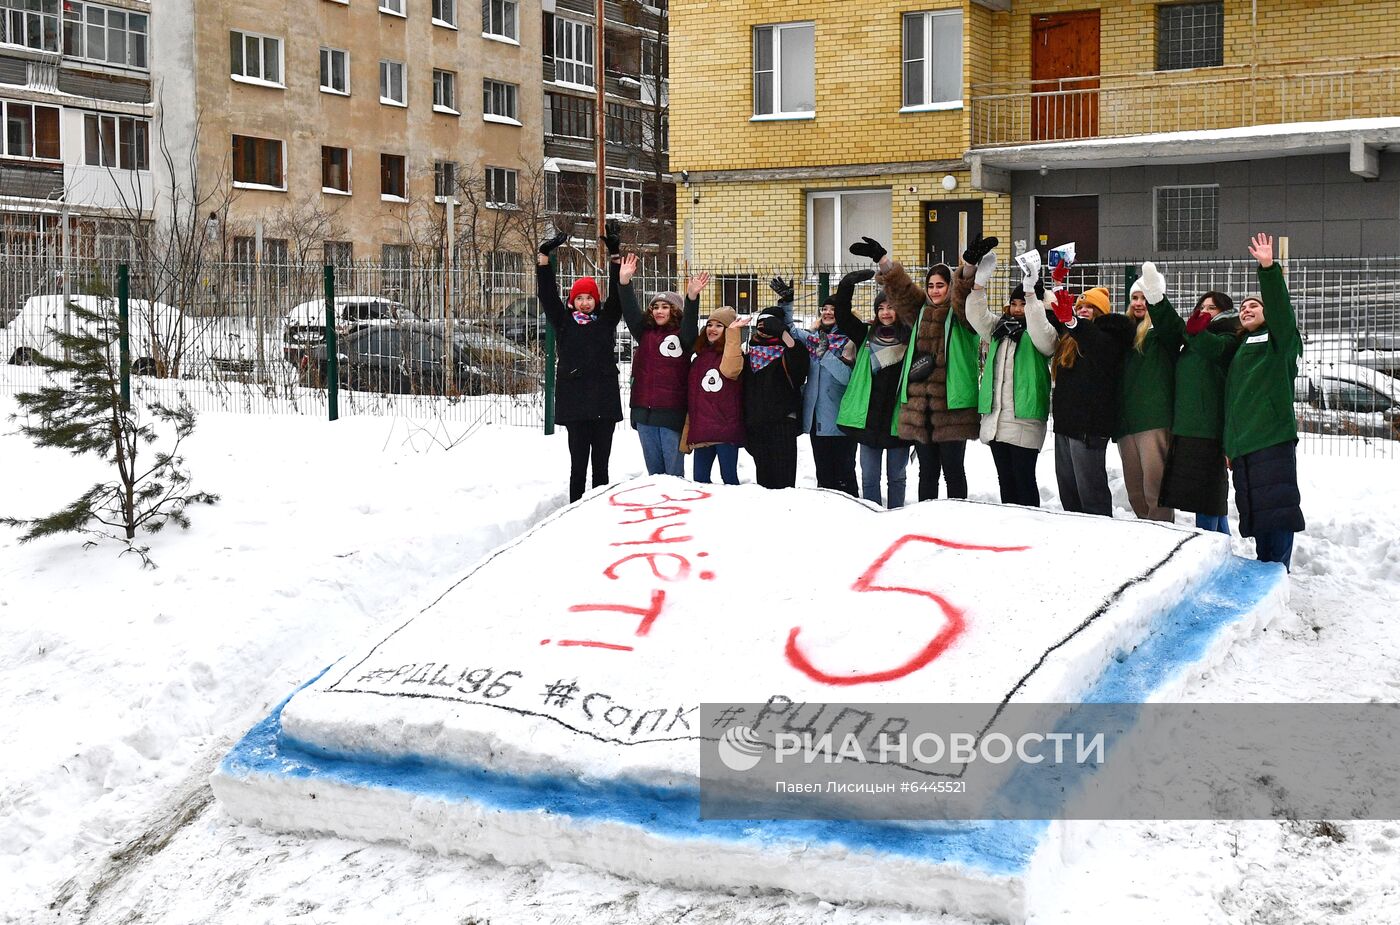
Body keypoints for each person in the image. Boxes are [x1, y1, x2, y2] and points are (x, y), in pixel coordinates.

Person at [850, 236, 986, 500]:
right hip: (920, 409)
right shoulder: (920, 311)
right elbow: (901, 290)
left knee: (953, 471)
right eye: (931, 286)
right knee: (927, 472)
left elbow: (963, 296)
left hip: (951, 408)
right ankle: (926, 520)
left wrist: (968, 267)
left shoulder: (961, 315)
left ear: (949, 287)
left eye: (941, 286)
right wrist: (882, 260)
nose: (935, 291)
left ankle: (956, 521)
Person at [1212, 233, 1304, 569]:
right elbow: (1234, 402)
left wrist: (1268, 269)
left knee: (1277, 511)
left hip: (1272, 440)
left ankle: (1278, 572)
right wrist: (1229, 444)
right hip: (1244, 447)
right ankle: (1266, 570)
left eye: (1255, 305)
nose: (1248, 309)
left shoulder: (1279, 340)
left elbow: (1281, 311)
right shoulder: (1242, 347)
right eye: (1244, 307)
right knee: (1258, 512)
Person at [536, 231, 630, 502]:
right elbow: (547, 295)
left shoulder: (606, 320)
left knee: (601, 467)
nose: (585, 302)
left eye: (590, 297)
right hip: (576, 405)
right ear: (572, 301)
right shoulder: (563, 322)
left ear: (595, 301)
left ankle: (600, 507)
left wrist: (615, 257)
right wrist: (544, 257)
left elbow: (618, 296)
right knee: (578, 466)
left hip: (603, 402)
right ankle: (574, 509)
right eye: (580, 298)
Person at [1145, 270, 1239, 535]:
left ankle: (1210, 543)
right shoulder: (1194, 337)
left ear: (1225, 313)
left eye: (1213, 307)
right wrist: (1156, 298)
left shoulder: (1228, 338)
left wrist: (1197, 334)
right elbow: (1174, 327)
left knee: (1207, 497)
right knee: (1204, 497)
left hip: (1209, 429)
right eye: (1202, 306)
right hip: (1186, 429)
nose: (1206, 310)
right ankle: (1219, 544)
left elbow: (1213, 349)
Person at [963, 247, 1056, 507]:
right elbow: (976, 316)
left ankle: (1030, 526)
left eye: (1022, 304)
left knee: (1024, 479)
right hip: (997, 419)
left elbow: (1043, 336)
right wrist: (979, 285)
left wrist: (1030, 293)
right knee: (1005, 480)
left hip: (1024, 418)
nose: (1017, 309)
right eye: (1014, 304)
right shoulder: (999, 329)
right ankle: (1010, 526)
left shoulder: (1043, 331)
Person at [1048, 284, 1136, 516]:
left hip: (1090, 426)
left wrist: (1074, 323)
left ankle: (1100, 534)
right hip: (1066, 425)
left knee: (1091, 493)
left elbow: (1095, 341)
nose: (1084, 309)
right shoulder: (1070, 338)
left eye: (1090, 306)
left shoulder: (1111, 335)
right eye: (1080, 306)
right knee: (1069, 491)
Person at [620, 231, 700, 477]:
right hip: (644, 415)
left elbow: (690, 325)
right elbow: (631, 311)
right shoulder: (644, 333)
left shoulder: (683, 336)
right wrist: (624, 283)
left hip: (671, 416)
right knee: (654, 477)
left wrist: (692, 298)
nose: (659, 311)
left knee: (673, 477)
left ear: (675, 311)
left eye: (665, 306)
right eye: (655, 306)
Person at [832, 270, 913, 508]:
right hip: (868, 418)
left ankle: (897, 515)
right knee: (869, 478)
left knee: (897, 477)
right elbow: (843, 316)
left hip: (898, 417)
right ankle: (872, 516)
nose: (886, 313)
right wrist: (847, 284)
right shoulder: (865, 335)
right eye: (881, 308)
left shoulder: (911, 336)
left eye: (890, 307)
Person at [1116, 271, 1179, 522]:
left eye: (1144, 297)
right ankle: (1145, 530)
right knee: (1135, 489)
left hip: (1153, 419)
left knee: (1155, 487)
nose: (1138, 303)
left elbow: (1174, 329)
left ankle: (1163, 531)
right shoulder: (1124, 332)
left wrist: (1158, 299)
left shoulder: (1160, 332)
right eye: (1134, 297)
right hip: (1126, 422)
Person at [787, 277, 859, 496]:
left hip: (842, 420)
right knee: (824, 476)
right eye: (824, 308)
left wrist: (826, 355)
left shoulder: (850, 340)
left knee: (845, 476)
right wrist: (786, 303)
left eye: (833, 309)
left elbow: (847, 378)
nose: (827, 312)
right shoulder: (813, 339)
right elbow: (789, 330)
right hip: (817, 421)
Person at [742, 294, 810, 489]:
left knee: (784, 482)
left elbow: (799, 369)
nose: (764, 328)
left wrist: (783, 334)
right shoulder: (749, 353)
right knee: (763, 481)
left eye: (769, 324)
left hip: (782, 425)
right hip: (756, 425)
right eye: (761, 323)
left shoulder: (789, 351)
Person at [683, 297, 745, 485]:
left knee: (729, 479)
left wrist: (734, 334)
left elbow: (730, 369)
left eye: (720, 325)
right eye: (710, 324)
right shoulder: (699, 358)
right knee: (700, 481)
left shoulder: (733, 355)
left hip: (724, 432)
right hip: (702, 431)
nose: (712, 329)